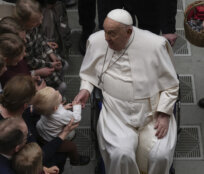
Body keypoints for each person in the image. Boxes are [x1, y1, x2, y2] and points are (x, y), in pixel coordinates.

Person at [74, 9, 179, 174]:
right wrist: (85, 89)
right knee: (120, 153)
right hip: (116, 114)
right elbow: (89, 73)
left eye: (112, 34)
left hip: (151, 114)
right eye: (105, 32)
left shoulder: (155, 45)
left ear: (129, 32)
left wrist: (165, 113)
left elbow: (171, 85)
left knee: (160, 155)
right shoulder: (96, 41)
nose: (106, 38)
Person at [15, 0, 68, 94]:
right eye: (36, 22)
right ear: (24, 22)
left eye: (41, 17)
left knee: (64, 65)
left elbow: (41, 38)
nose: (40, 22)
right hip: (37, 66)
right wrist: (50, 64)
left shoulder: (35, 24)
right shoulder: (23, 38)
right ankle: (54, 94)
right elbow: (30, 61)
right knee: (62, 86)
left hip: (43, 54)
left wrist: (50, 53)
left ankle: (58, 79)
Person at [32, 87, 90, 166]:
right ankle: (75, 160)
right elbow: (77, 118)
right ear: (56, 108)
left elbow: (54, 113)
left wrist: (62, 107)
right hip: (52, 139)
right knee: (72, 147)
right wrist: (77, 106)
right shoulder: (61, 114)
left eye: (55, 90)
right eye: (57, 94)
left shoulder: (44, 109)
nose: (58, 91)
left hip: (41, 132)